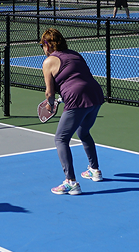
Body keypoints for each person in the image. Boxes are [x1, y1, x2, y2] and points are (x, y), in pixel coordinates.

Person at [40, 28, 105, 195]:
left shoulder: (48, 62)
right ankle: (94, 170)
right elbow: (78, 77)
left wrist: (50, 103)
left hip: (77, 98)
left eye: (42, 45)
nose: (42, 49)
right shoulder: (75, 54)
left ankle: (71, 182)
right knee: (84, 132)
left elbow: (50, 92)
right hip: (96, 95)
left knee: (61, 139)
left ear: (47, 45)